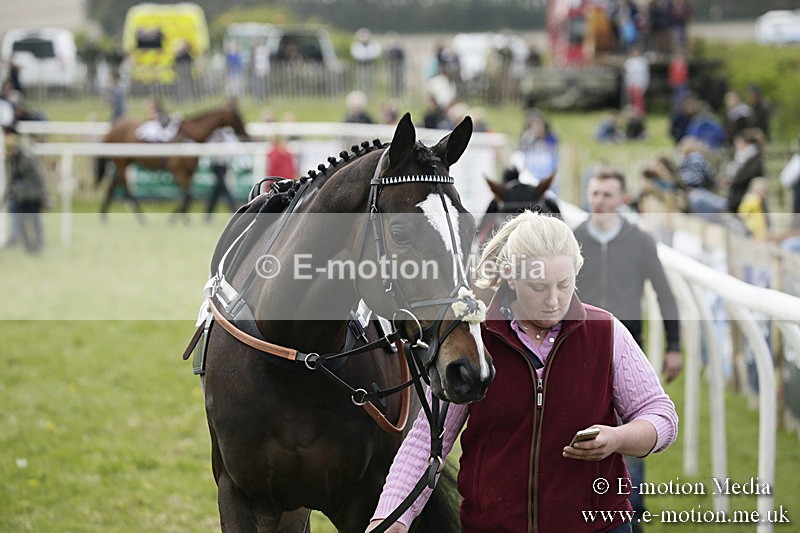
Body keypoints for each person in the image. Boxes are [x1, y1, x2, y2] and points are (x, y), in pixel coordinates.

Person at [367, 212, 679, 533]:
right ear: (510, 278)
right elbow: (427, 440)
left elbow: (661, 417)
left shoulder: (607, 332)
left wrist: (617, 438)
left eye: (564, 285)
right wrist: (392, 517)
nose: (554, 300)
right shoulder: (474, 342)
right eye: (539, 287)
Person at [573, 169, 682, 532]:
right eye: (594, 193)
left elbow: (664, 293)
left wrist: (674, 346)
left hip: (628, 350)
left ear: (622, 199)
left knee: (632, 428)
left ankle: (631, 513)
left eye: (607, 195)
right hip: (581, 350)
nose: (599, 201)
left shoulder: (640, 241)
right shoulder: (574, 238)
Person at [4, 129, 46, 253]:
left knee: (35, 221)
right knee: (22, 222)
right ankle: (28, 247)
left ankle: (38, 245)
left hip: (33, 196)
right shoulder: (10, 162)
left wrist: (43, 195)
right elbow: (11, 180)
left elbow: (38, 178)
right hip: (21, 196)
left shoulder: (27, 158)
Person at [205, 126, 239, 220]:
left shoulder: (227, 132)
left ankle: (208, 213)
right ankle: (234, 210)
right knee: (224, 188)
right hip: (216, 166)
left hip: (224, 166)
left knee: (217, 190)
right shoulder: (214, 133)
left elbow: (233, 144)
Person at [623, 46, 649, 118]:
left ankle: (640, 115)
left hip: (639, 84)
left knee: (639, 101)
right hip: (632, 84)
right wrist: (628, 84)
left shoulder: (642, 62)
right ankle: (633, 114)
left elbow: (645, 75)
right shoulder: (629, 62)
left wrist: (644, 85)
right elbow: (627, 75)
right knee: (632, 100)